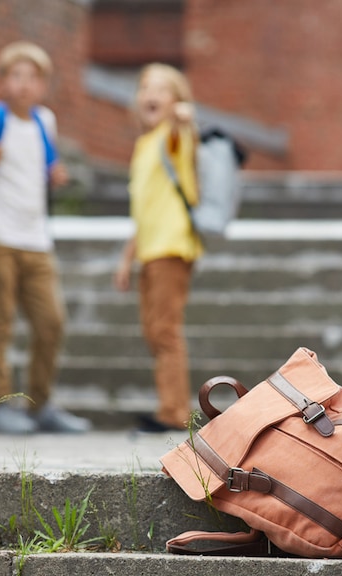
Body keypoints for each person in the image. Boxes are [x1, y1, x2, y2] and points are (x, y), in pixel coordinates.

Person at [0, 41, 90, 434]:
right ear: (3, 81)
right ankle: (0, 404)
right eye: (16, 75)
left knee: (51, 322)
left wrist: (54, 175)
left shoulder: (45, 121)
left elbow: (42, 164)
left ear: (43, 85)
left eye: (33, 77)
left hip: (37, 240)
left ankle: (41, 404)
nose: (24, 85)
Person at [113, 63, 201, 433]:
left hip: (171, 246)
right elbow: (143, 209)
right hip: (149, 249)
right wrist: (127, 258)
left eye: (161, 89)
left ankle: (173, 412)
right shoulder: (144, 144)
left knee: (165, 330)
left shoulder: (171, 137)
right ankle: (170, 406)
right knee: (154, 331)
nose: (150, 94)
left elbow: (185, 131)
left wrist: (183, 117)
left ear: (176, 100)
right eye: (145, 87)